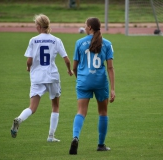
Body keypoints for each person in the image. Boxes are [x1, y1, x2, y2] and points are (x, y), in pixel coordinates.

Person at [11, 14, 73, 142]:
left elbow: (29, 61)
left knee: (32, 108)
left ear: (39, 26)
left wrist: (28, 68)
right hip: (52, 76)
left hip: (37, 77)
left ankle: (20, 119)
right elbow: (66, 59)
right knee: (55, 106)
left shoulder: (33, 40)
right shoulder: (56, 40)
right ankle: (51, 136)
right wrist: (69, 69)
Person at [69, 17, 115, 155]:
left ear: (89, 27)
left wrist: (81, 79)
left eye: (85, 26)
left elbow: (75, 67)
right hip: (100, 81)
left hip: (83, 81)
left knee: (81, 112)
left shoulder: (79, 43)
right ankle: (101, 145)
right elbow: (110, 68)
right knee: (103, 112)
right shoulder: (107, 43)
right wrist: (112, 88)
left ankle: (75, 137)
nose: (84, 28)